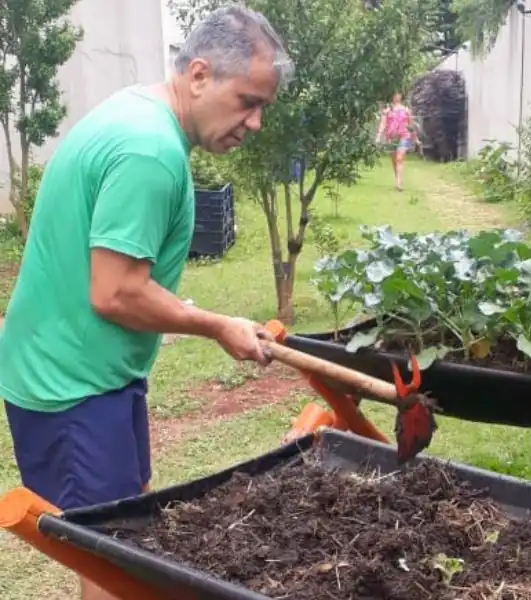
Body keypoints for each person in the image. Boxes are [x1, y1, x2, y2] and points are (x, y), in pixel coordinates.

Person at [0, 5, 294, 600]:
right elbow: (114, 292)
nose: (255, 122)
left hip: (82, 376)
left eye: (262, 106)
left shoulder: (137, 112)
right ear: (200, 75)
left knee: (121, 541)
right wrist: (215, 325)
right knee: (116, 565)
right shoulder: (150, 153)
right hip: (73, 388)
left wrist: (181, 311)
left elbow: (118, 274)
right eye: (247, 101)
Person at [375, 92, 418, 191]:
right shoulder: (387, 110)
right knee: (394, 160)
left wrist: (415, 138)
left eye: (398, 94)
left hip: (404, 136)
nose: (397, 96)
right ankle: (398, 179)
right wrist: (378, 136)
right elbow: (383, 124)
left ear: (401, 96)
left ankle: (399, 183)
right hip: (391, 137)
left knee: (399, 158)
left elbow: (411, 125)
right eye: (394, 94)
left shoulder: (406, 110)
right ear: (392, 96)